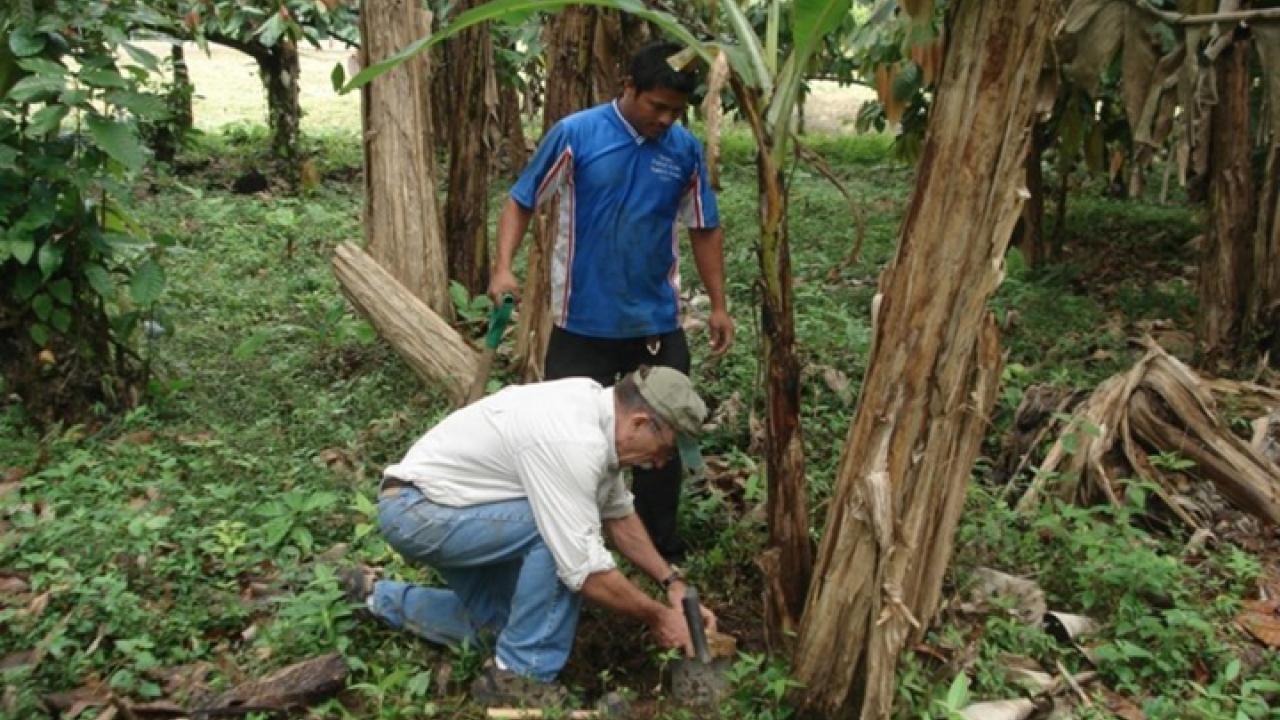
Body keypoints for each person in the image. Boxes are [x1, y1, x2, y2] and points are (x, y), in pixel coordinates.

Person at [488, 41, 734, 560]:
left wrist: (718, 304)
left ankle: (659, 547)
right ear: (629, 88)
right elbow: (522, 200)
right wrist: (503, 267)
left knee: (664, 439)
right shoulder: (577, 134)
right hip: (582, 323)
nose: (665, 119)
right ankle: (572, 543)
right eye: (656, 106)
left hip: (655, 323)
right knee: (568, 440)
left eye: (675, 111)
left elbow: (704, 227)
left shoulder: (683, 149)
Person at [344, 367, 718, 707]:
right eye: (666, 450)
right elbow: (583, 568)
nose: (661, 463)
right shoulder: (575, 441)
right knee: (558, 534)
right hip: (420, 511)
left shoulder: (597, 418)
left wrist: (672, 582)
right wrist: (660, 618)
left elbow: (618, 514)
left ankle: (374, 597)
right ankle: (519, 675)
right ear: (640, 423)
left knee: (506, 624)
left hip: (448, 507)